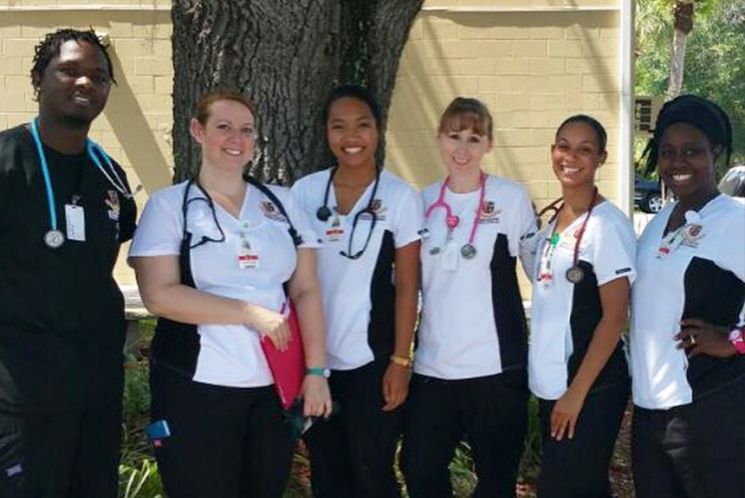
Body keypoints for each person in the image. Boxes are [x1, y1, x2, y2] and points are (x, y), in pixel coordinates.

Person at [129, 90, 332, 498]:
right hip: (195, 387)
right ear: (197, 131)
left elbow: (307, 289)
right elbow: (159, 296)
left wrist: (315, 372)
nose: (236, 139)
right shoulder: (171, 207)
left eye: (246, 130)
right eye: (223, 127)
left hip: (271, 389)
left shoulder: (283, 202)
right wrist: (249, 313)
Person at [0, 29, 137, 497]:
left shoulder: (109, 174)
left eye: (98, 77)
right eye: (70, 70)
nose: (86, 83)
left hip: (96, 394)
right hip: (22, 400)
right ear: (39, 79)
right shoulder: (6, 161)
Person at [399, 97, 535, 498]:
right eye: (454, 136)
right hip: (433, 368)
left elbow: (541, 271)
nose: (463, 148)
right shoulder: (420, 203)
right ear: (438, 139)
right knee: (419, 468)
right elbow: (403, 283)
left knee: (496, 480)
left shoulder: (510, 199)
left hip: (496, 368)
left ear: (489, 144)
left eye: (474, 138)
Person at [291, 84, 422, 498]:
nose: (351, 137)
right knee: (327, 472)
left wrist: (400, 360)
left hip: (373, 363)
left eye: (362, 125)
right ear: (326, 133)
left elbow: (407, 285)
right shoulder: (304, 193)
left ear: (378, 131)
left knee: (373, 472)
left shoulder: (400, 197)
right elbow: (289, 280)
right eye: (339, 126)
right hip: (315, 366)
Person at [630, 95, 745, 498]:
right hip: (649, 410)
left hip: (707, 408)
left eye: (692, 151)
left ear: (715, 152)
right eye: (668, 152)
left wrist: (734, 341)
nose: (678, 163)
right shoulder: (661, 219)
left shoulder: (734, 221)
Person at [528, 115, 635, 497]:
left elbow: (614, 317)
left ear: (601, 158)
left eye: (584, 149)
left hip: (591, 386)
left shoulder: (607, 226)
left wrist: (576, 394)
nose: (571, 157)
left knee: (571, 487)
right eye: (563, 146)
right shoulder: (552, 220)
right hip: (553, 382)